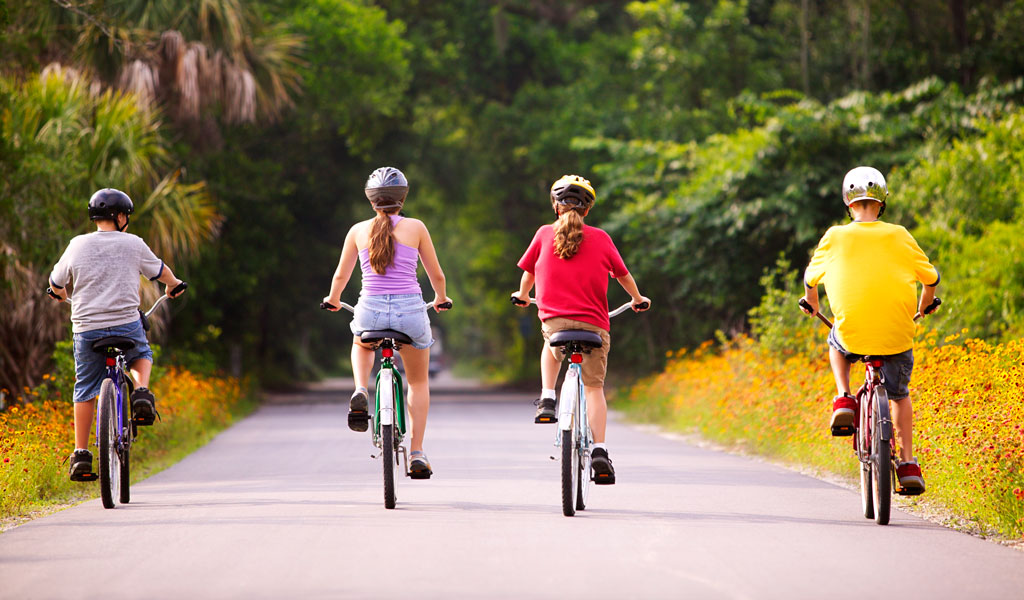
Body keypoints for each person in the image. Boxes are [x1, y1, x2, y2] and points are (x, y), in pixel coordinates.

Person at [800, 166, 939, 493]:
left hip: (853, 333)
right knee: (900, 395)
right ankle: (907, 464)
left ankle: (844, 398)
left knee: (836, 341)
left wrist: (813, 304)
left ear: (849, 204)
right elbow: (931, 279)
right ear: (882, 202)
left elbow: (810, 280)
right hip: (897, 335)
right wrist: (923, 306)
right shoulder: (901, 234)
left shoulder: (835, 236)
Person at [512, 174, 650, 485]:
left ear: (555, 206)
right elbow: (624, 275)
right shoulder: (601, 238)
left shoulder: (544, 234)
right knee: (594, 387)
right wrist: (637, 299)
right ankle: (599, 450)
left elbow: (529, 274)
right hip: (594, 327)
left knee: (550, 347)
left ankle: (548, 397)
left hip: (556, 324)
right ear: (587, 209)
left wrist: (522, 296)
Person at [48, 188, 186, 481]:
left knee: (85, 387)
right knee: (141, 354)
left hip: (87, 329)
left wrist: (59, 293)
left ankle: (81, 455)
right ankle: (142, 393)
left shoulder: (76, 245)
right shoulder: (133, 244)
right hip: (126, 323)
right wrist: (173, 285)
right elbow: (162, 272)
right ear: (120, 216)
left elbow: (55, 280)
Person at [322, 166, 451, 479]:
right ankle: (417, 452)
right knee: (418, 382)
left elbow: (341, 275)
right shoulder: (416, 227)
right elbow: (437, 275)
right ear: (403, 198)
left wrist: (334, 299)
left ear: (371, 201)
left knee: (361, 342)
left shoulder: (357, 231)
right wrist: (441, 297)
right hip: (410, 312)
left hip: (370, 310)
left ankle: (360, 389)